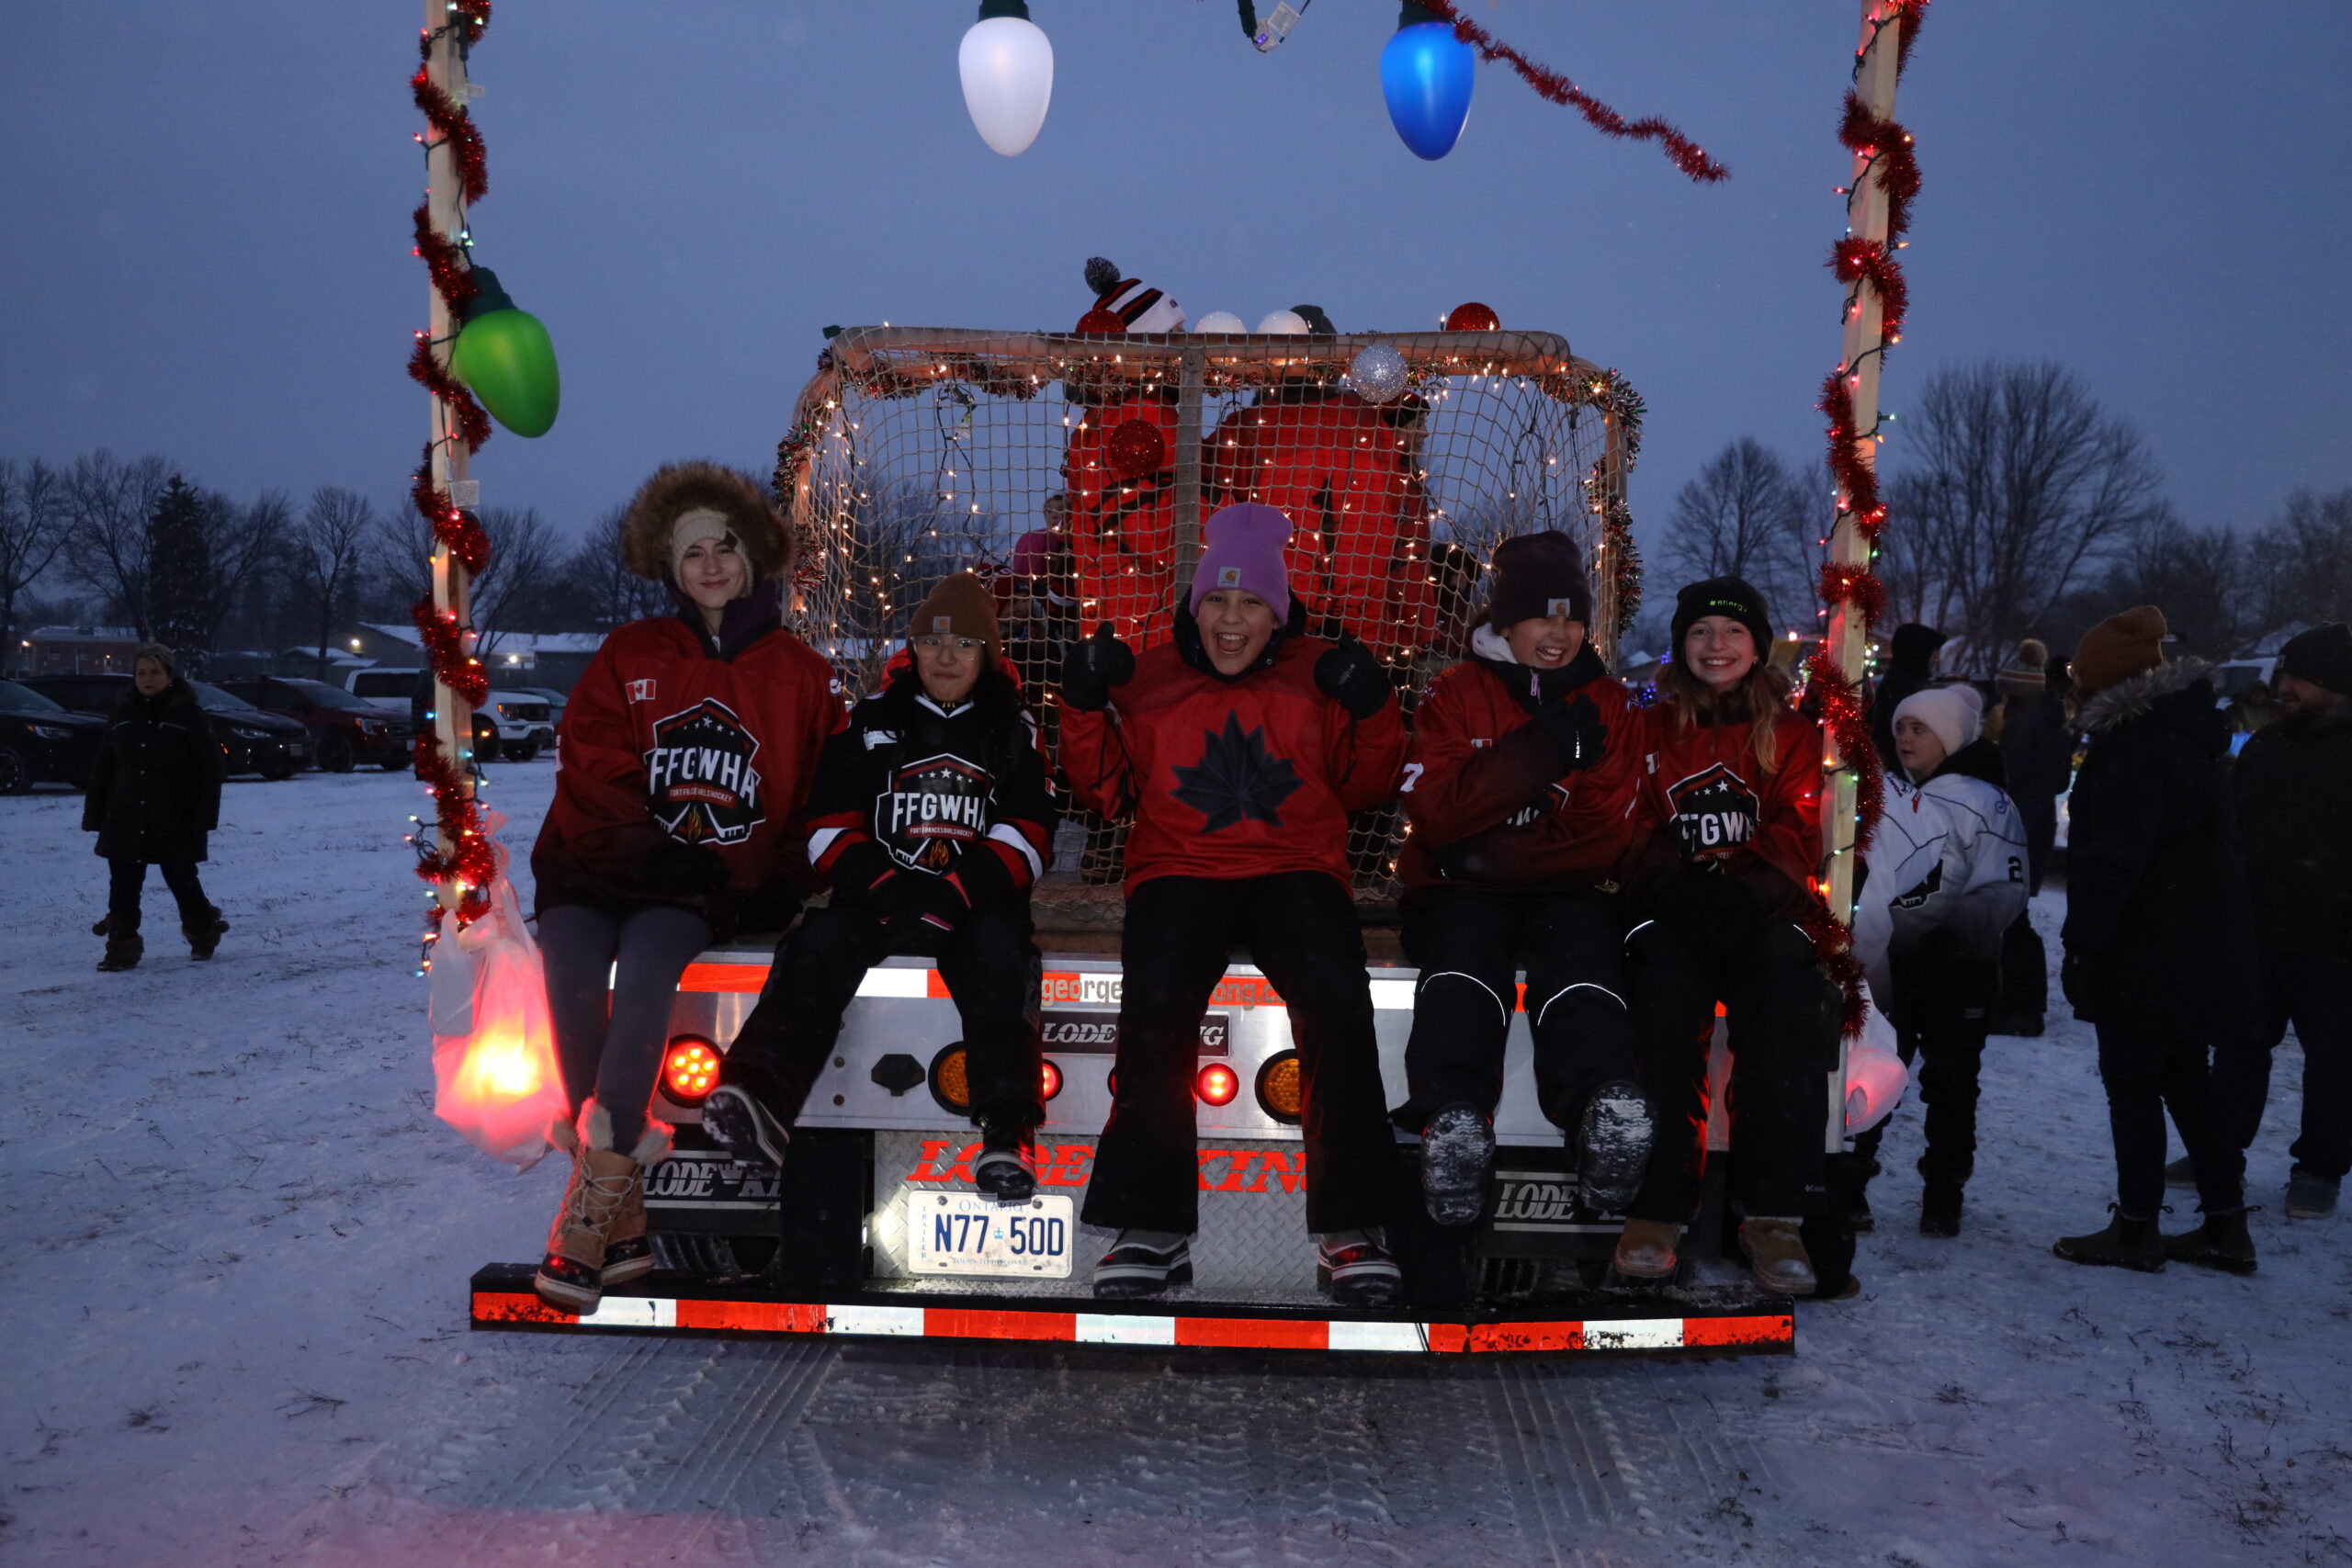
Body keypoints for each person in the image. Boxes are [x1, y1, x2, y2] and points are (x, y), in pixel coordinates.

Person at [1058, 502, 1410, 1305]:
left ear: (1278, 612)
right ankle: (1150, 1225)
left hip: (1296, 864)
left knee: (1335, 998)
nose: (1230, 619)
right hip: (1181, 865)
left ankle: (1352, 1223)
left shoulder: (1317, 672)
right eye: (1216, 600)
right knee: (1156, 1003)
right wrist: (1080, 706)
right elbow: (1106, 793)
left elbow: (1365, 785)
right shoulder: (1147, 676)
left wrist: (1373, 707)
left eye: (1250, 602)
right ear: (1192, 604)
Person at [527, 461, 843, 1312]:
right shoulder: (630, 652)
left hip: (691, 890)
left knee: (648, 975)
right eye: (693, 550)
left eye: (725, 547)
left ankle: (592, 1219)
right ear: (671, 566)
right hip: (594, 867)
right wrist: (643, 846)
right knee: (568, 971)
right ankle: (615, 1212)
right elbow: (591, 765)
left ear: (755, 556)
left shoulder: (799, 673)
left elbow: (820, 790)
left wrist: (783, 876)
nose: (710, 564)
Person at [704, 573, 1057, 1196]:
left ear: (988, 653)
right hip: (878, 894)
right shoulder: (868, 722)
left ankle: (1008, 1132)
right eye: (932, 643)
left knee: (1003, 962)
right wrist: (886, 887)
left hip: (974, 905)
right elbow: (826, 823)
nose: (946, 658)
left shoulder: (1014, 729)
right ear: (913, 649)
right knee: (816, 945)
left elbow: (1028, 833)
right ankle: (759, 1094)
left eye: (965, 644)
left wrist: (955, 894)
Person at [1392, 531, 1649, 1224]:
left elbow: (1602, 832)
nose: (1560, 634)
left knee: (1582, 965)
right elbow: (1434, 808)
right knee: (1462, 968)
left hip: (1553, 889)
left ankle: (1604, 1115)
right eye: (1543, 617)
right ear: (1505, 623)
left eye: (1572, 618)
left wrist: (1483, 846)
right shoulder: (1455, 692)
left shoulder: (1610, 704)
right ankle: (1453, 1119)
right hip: (1460, 893)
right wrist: (1542, 751)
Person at [1612, 578, 1840, 1295]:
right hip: (1674, 907)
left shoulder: (1795, 733)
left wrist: (1748, 892)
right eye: (1702, 631)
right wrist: (1673, 884)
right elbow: (1629, 821)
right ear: (1681, 645)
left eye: (1732, 632)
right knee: (1663, 1008)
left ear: (1758, 644)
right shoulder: (1648, 730)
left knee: (1783, 1007)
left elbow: (1799, 829)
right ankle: (1657, 1207)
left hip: (1758, 910)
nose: (1717, 645)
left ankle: (1772, 1214)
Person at [2052, 605, 2265, 1274]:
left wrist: (2084, 945)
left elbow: (2112, 860)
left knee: (2135, 1084)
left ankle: (2137, 1225)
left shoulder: (2131, 750)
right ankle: (2224, 1224)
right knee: (2186, 1080)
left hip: (2144, 946)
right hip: (2195, 941)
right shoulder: (2190, 735)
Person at [1850, 684, 2029, 1235]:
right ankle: (1851, 1186)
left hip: (1958, 970)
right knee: (1874, 1069)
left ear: (1949, 738)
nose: (1904, 737)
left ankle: (1942, 1196)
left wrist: (1953, 935)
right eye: (1901, 727)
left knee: (1951, 1085)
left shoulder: (1988, 801)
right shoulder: (1900, 796)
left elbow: (2007, 886)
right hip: (1894, 969)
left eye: (1919, 729)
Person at [2231, 623, 2352, 1219]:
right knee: (2238, 1044)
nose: (2285, 686)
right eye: (2284, 675)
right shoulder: (2266, 747)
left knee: (2332, 1058)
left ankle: (2319, 1167)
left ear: (2334, 684)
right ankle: (2219, 1147)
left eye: (2299, 677)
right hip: (2258, 928)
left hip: (2335, 942)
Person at [84, 643, 227, 971]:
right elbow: (104, 766)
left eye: (155, 672)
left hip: (174, 816)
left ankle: (203, 932)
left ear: (169, 675)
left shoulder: (188, 715)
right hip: (125, 815)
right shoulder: (122, 713)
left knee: (181, 879)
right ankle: (121, 948)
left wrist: (203, 817)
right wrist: (95, 814)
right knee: (123, 884)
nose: (147, 679)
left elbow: (209, 770)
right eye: (141, 673)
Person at [1990, 638, 2074, 1035]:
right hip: (2036, 825)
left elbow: (2009, 778)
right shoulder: (2053, 722)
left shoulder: (2023, 727)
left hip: (2017, 827)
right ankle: (2023, 1005)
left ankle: (2021, 1007)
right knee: (2017, 917)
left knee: (2013, 919)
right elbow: (2057, 781)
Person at [1871, 622, 1947, 770]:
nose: (1936, 657)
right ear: (1919, 652)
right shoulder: (1902, 688)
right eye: (1934, 651)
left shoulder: (1904, 684)